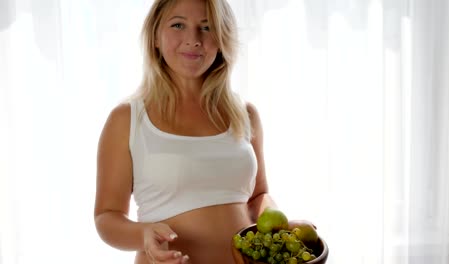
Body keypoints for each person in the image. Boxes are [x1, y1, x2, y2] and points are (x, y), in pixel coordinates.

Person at [94, 0, 306, 263]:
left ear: (222, 38)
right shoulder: (128, 119)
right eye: (178, 25)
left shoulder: (245, 115)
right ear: (155, 37)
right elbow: (107, 215)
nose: (193, 39)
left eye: (206, 27)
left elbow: (258, 196)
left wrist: (281, 227)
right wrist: (143, 235)